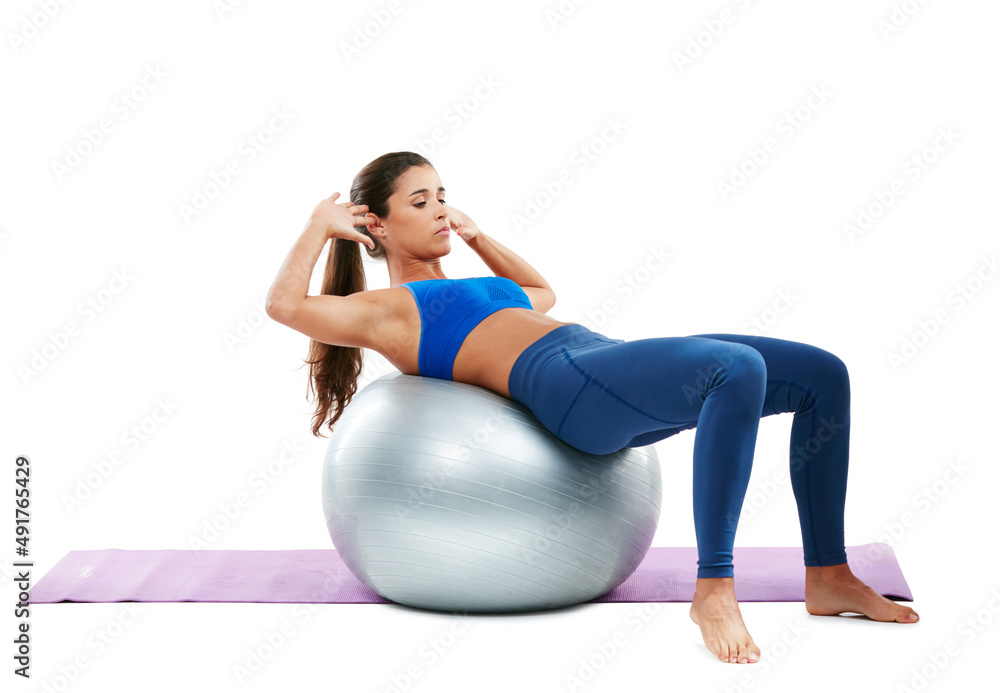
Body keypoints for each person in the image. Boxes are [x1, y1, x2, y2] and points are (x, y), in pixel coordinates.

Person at [265, 151, 919, 664]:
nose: (440, 209)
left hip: (596, 360)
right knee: (737, 365)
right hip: (563, 388)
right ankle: (713, 587)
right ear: (375, 225)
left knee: (821, 375)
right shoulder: (388, 312)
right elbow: (285, 307)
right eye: (420, 201)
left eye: (442, 195)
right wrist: (316, 228)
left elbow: (538, 290)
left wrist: (478, 233)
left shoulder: (474, 281)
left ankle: (828, 573)